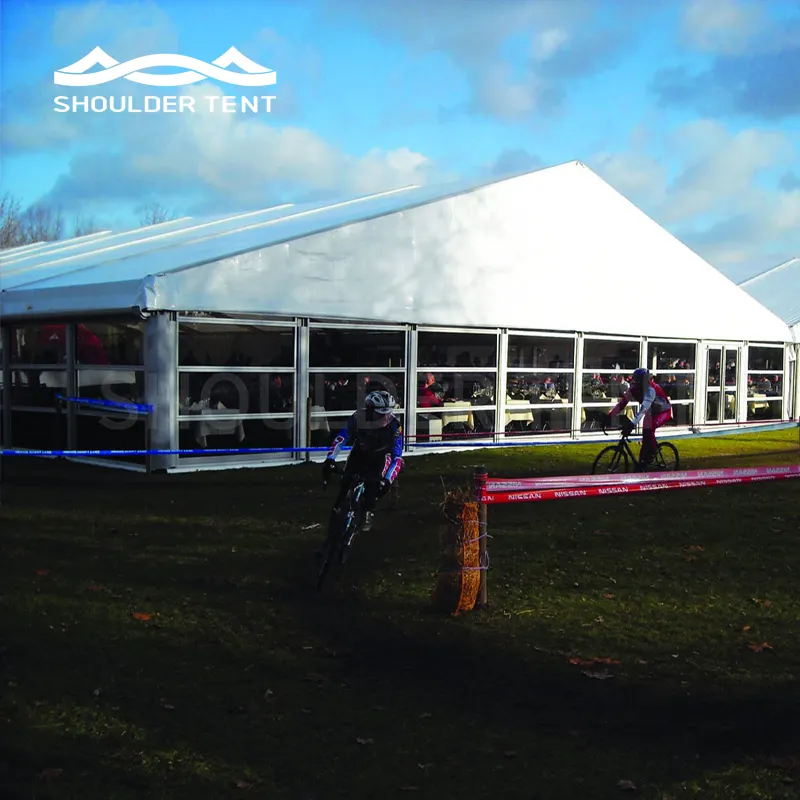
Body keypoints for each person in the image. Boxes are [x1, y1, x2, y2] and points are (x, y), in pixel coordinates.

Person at [318, 389, 404, 552]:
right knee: (343, 490)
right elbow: (342, 437)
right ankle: (329, 538)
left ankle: (366, 511)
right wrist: (330, 459)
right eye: (380, 414)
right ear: (370, 411)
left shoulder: (394, 426)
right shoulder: (358, 417)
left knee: (374, 489)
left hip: (380, 458)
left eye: (388, 414)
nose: (385, 418)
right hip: (359, 455)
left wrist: (387, 479)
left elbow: (397, 457)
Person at [605, 368, 672, 467]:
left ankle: (654, 451)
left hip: (663, 412)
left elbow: (643, 410)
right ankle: (642, 463)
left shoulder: (651, 390)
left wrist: (632, 424)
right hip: (651, 412)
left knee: (649, 429)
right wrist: (609, 417)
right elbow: (622, 404)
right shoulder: (633, 388)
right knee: (645, 439)